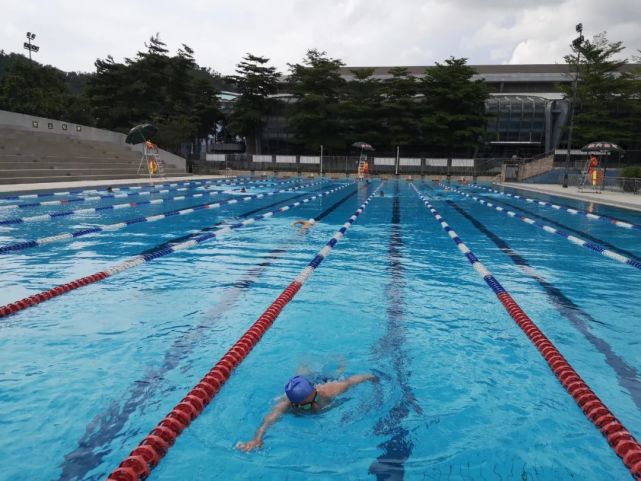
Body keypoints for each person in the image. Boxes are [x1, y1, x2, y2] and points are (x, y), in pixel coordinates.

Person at [236, 373, 376, 452]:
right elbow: (268, 421)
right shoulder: (286, 405)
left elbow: (352, 381)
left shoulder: (329, 390)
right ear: (295, 405)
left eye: (315, 397)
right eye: (308, 405)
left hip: (321, 380)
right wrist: (257, 438)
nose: (315, 405)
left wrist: (371, 377)